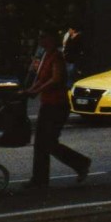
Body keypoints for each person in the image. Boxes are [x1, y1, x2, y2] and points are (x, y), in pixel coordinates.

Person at [24, 30, 91, 188]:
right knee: (43, 143)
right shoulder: (44, 57)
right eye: (39, 37)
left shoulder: (56, 57)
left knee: (47, 142)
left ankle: (80, 163)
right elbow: (41, 79)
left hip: (57, 105)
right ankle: (40, 179)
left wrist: (36, 91)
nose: (40, 40)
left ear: (52, 39)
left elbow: (55, 79)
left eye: (43, 37)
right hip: (47, 104)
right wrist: (31, 90)